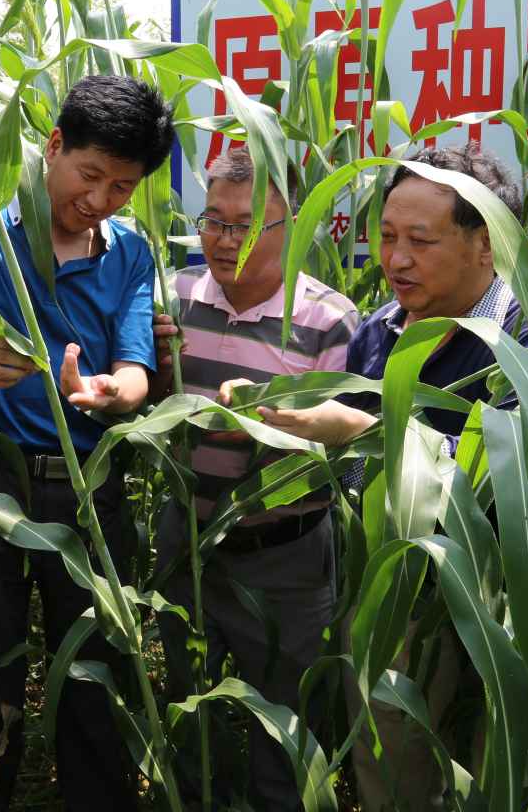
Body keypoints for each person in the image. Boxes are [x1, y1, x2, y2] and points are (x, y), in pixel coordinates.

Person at [229, 142, 528, 811]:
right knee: (391, 758)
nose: (396, 259)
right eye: (386, 237)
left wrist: (362, 431)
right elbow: (356, 475)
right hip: (397, 592)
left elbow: (512, 481)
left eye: (421, 239)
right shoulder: (382, 332)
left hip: (509, 600)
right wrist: (285, 420)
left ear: (486, 243)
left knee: (498, 769)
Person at [0, 74, 174, 810]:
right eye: (89, 175)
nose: (99, 199)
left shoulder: (126, 251)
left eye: (122, 187)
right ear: (53, 146)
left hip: (85, 485)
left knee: (95, 670)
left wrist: (114, 393)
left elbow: (134, 369)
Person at [150, 146, 359, 810]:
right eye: (213, 221)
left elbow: (351, 454)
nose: (223, 239)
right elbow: (146, 402)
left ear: (290, 231)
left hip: (288, 557)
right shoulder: (173, 300)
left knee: (288, 730)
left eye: (244, 226)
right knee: (188, 717)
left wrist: (273, 430)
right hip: (187, 544)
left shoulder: (330, 322)